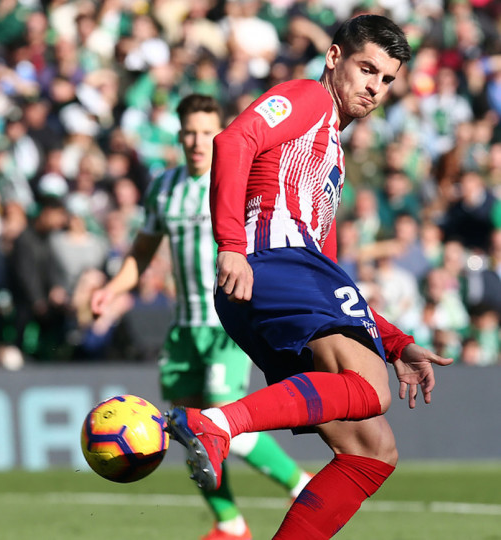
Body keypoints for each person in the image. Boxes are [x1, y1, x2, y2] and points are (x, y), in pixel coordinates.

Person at [163, 15, 453, 539]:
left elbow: (331, 280)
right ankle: (213, 423)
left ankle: (219, 427)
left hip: (273, 282)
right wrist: (230, 245)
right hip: (271, 261)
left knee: (372, 451)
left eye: (387, 79)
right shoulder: (308, 99)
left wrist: (394, 342)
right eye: (367, 69)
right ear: (335, 57)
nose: (374, 87)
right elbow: (232, 142)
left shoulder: (330, 153)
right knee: (370, 389)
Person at [92, 94, 312, 540]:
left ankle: (300, 485)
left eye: (207, 132)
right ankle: (230, 524)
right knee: (190, 432)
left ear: (220, 133)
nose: (197, 141)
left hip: (227, 327)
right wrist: (113, 288)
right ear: (178, 135)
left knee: (220, 418)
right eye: (189, 132)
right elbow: (143, 251)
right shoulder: (164, 187)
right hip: (183, 332)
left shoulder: (239, 180)